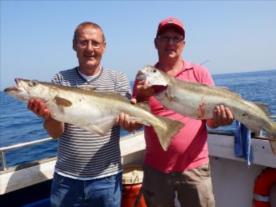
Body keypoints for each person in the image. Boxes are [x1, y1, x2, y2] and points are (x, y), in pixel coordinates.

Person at [122, 17, 234, 207]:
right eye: (165, 37)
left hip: (195, 168)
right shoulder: (146, 76)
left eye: (176, 38)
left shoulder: (199, 73)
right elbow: (139, 120)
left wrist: (219, 120)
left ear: (183, 44)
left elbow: (209, 121)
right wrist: (141, 98)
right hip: (156, 170)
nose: (171, 43)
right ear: (155, 42)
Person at [27, 21, 131, 207]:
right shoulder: (60, 80)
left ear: (104, 47)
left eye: (95, 43)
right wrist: (49, 116)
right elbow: (55, 133)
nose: (90, 48)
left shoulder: (118, 79)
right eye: (83, 42)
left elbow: (133, 124)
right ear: (74, 46)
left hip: (107, 179)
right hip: (67, 180)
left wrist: (131, 122)